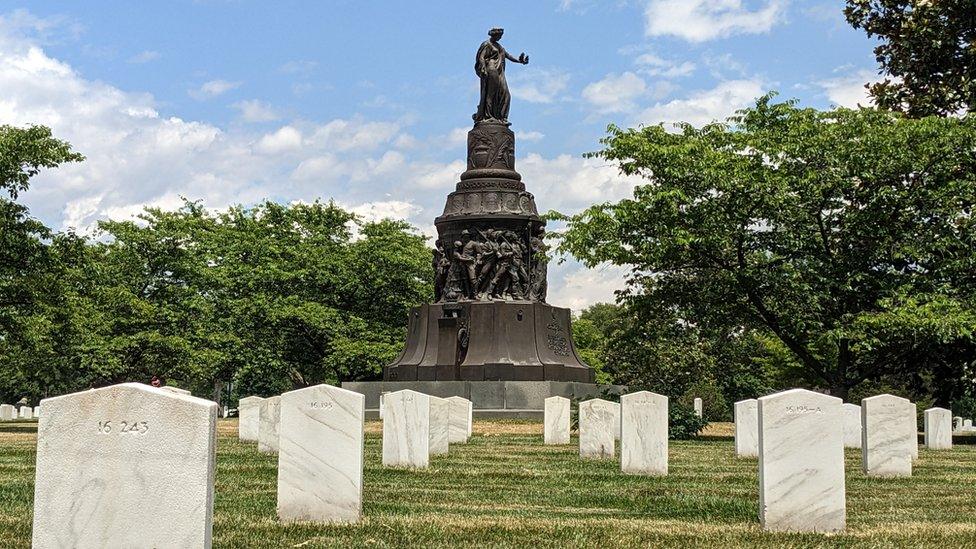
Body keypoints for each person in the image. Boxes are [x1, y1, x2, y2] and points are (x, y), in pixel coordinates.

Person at [473, 28, 528, 123]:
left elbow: (508, 56)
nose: (500, 37)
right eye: (499, 36)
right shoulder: (487, 44)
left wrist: (520, 61)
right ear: (494, 35)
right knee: (491, 93)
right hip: (491, 69)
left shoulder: (499, 46)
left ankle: (502, 118)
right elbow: (481, 57)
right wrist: (483, 68)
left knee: (506, 94)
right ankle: (488, 116)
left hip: (499, 71)